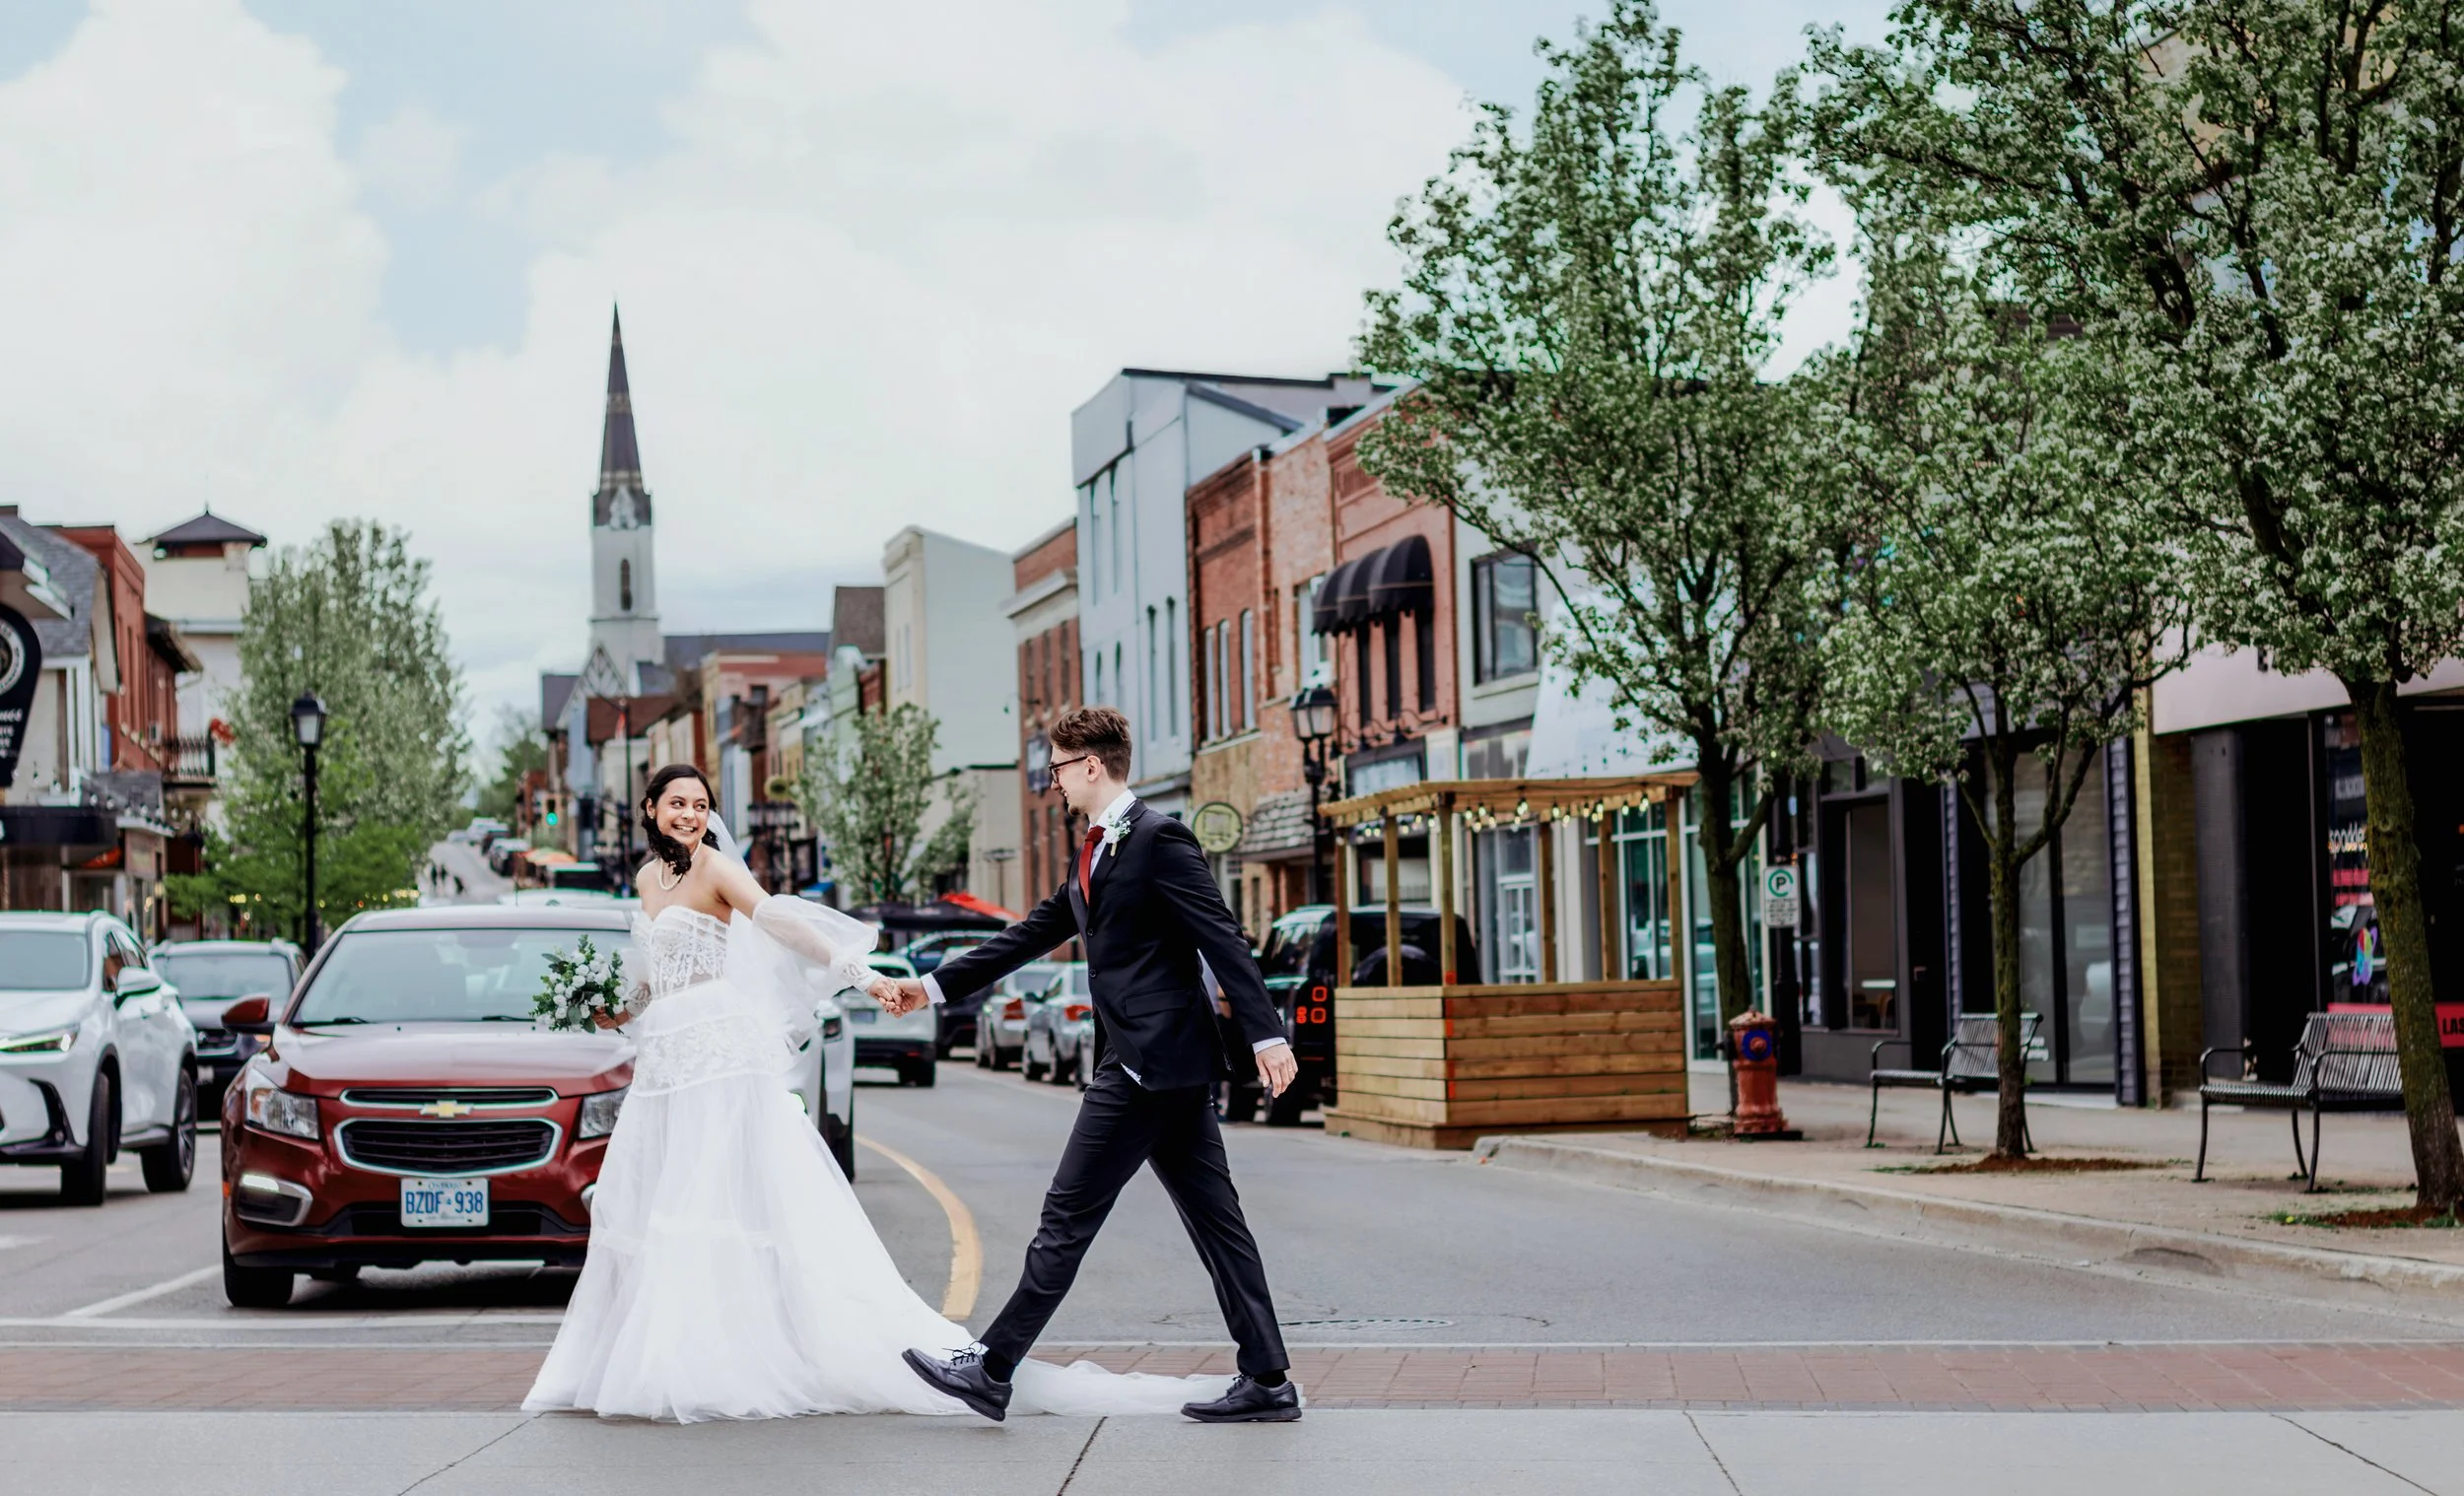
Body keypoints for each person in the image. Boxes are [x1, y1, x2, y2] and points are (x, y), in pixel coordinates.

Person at [524, 762, 1222, 1422]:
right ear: (650, 810)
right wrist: (614, 1007)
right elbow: (655, 977)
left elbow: (779, 921)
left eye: (702, 806)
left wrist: (863, 975)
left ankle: (725, 1366)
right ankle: (662, 1358)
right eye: (677, 803)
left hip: (718, 1054)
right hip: (667, 1060)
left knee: (725, 1201)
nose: (690, 815)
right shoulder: (647, 880)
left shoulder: (716, 867)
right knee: (662, 1207)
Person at [892, 706, 1304, 1424]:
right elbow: (1026, 937)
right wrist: (925, 988)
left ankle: (991, 1368)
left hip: (1145, 1068)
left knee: (1066, 1217)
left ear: (1090, 765)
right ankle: (1268, 1379)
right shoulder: (1096, 852)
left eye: (1055, 768)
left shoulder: (1159, 839)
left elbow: (1223, 939)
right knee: (1218, 1225)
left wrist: (1269, 1037)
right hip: (1166, 1069)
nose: (1050, 781)